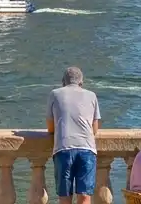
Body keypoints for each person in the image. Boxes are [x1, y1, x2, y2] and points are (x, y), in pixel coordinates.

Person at [47, 67, 101, 204]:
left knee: (65, 197)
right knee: (84, 197)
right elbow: (94, 128)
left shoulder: (54, 94)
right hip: (87, 149)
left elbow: (50, 127)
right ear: (81, 82)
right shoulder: (92, 95)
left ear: (63, 82)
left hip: (63, 148)